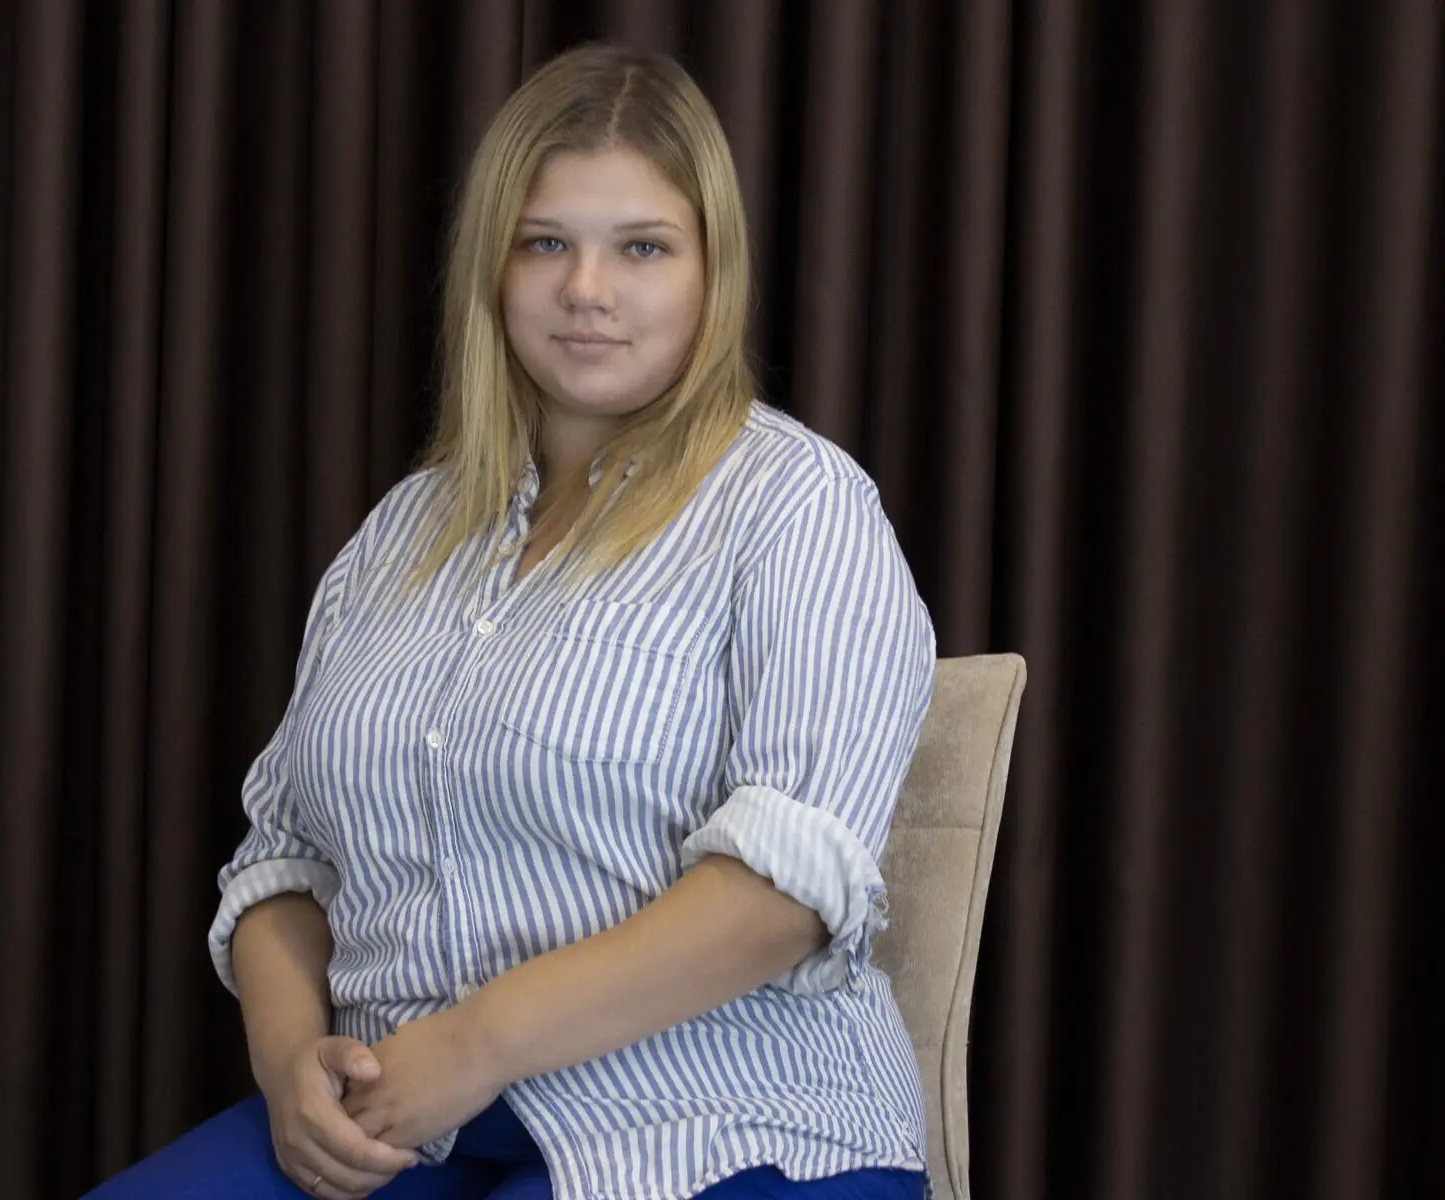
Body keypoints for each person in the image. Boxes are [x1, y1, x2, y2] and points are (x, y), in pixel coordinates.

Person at [88, 41, 936, 1200]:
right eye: (545, 243)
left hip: (724, 1121)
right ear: (492, 265)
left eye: (642, 247)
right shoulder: (402, 531)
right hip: (399, 1117)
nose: (586, 289)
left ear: (712, 271)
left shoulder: (799, 505)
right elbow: (282, 860)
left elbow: (784, 896)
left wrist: (475, 1045)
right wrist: (288, 1068)